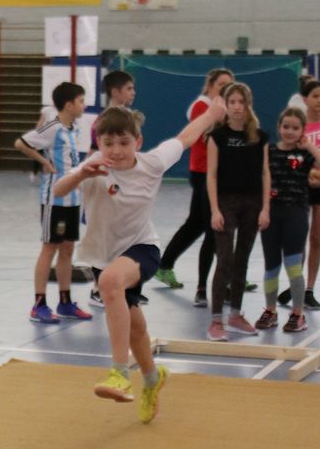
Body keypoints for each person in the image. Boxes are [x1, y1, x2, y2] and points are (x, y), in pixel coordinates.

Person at [52, 92, 227, 419]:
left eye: (124, 142)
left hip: (142, 249)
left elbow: (185, 138)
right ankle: (152, 379)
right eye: (108, 143)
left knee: (110, 282)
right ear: (99, 143)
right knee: (134, 327)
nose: (116, 150)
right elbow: (59, 189)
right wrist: (82, 174)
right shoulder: (94, 166)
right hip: (103, 256)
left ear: (138, 142)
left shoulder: (152, 163)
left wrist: (212, 114)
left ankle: (119, 372)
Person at [154, 67, 234, 302]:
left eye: (229, 84)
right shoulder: (202, 106)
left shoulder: (226, 107)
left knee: (196, 224)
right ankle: (223, 278)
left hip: (215, 173)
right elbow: (207, 136)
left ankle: (165, 264)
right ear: (210, 85)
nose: (225, 88)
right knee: (212, 227)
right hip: (203, 173)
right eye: (221, 84)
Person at [15, 81, 92, 325]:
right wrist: (44, 162)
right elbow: (21, 143)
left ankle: (65, 302)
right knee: (49, 248)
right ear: (69, 105)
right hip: (54, 200)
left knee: (68, 248)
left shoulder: (74, 128)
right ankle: (39, 305)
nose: (84, 105)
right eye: (81, 101)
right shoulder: (53, 127)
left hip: (73, 199)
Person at [255, 107, 320, 335]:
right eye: (286, 127)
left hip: (296, 214)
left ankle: (298, 314)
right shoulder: (269, 151)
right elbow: (263, 181)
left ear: (302, 131)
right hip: (272, 214)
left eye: (295, 128)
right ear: (279, 128)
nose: (290, 131)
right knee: (271, 266)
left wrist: (310, 146)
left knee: (293, 266)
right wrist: (263, 211)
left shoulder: (304, 155)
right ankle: (270, 310)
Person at [206, 81, 270, 341]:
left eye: (241, 102)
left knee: (242, 258)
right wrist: (214, 210)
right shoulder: (217, 137)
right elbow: (211, 175)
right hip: (226, 202)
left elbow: (265, 173)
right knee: (224, 259)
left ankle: (235, 314)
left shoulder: (259, 137)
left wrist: (265, 208)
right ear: (226, 105)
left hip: (252, 203)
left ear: (248, 105)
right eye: (232, 102)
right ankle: (215, 320)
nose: (236, 107)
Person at [89, 69, 140, 306]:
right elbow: (93, 153)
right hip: (107, 186)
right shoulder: (103, 121)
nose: (133, 92)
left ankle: (125, 289)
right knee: (104, 238)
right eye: (129, 88)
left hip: (125, 187)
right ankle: (97, 289)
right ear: (115, 92)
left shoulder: (129, 118)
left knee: (124, 237)